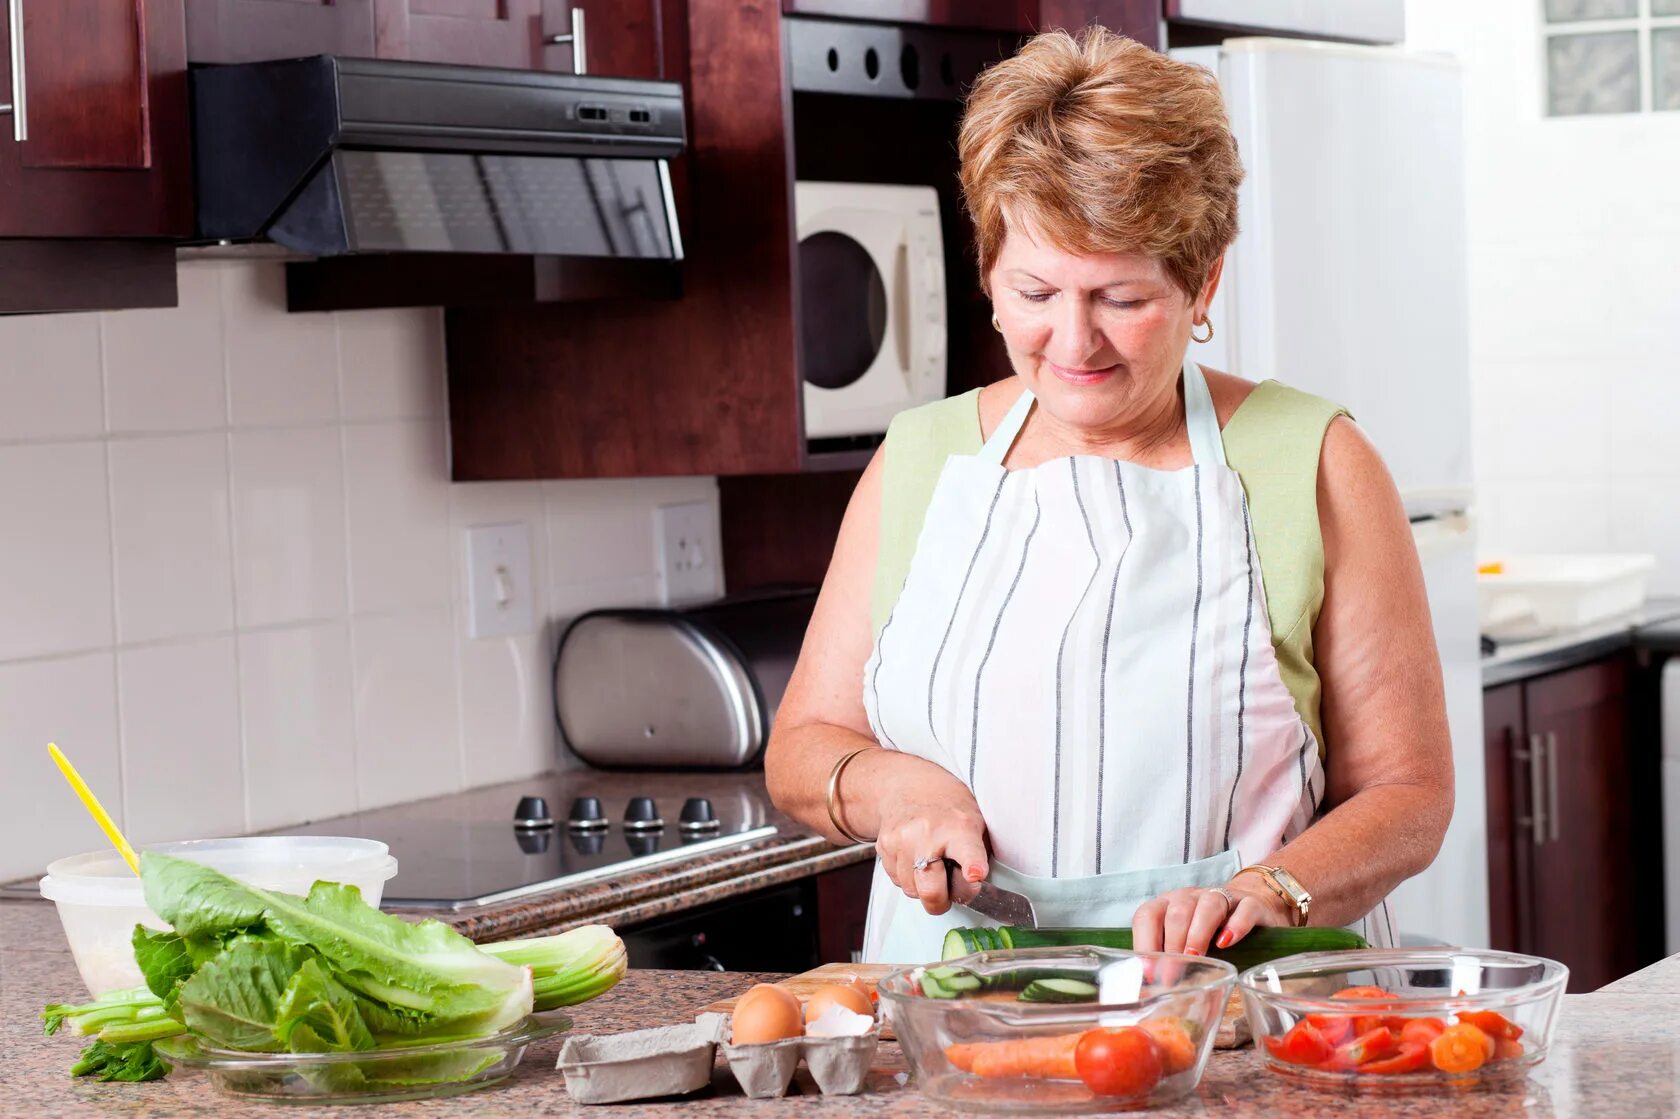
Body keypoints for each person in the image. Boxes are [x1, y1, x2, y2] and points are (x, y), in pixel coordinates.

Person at [765, 27, 1453, 963]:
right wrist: (893, 790)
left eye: (1121, 299)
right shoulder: (922, 460)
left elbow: (1409, 793)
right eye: (1035, 292)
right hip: (952, 1029)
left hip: (1241, 1015)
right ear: (990, 276)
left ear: (1204, 279)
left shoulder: (1315, 461)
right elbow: (805, 740)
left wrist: (1268, 890)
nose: (1074, 341)